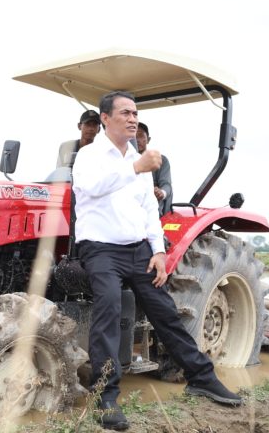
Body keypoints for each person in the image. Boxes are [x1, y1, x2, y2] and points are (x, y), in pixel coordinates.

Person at [72, 90, 242, 431]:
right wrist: (136, 166)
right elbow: (91, 187)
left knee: (165, 311)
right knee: (108, 306)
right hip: (100, 248)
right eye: (125, 113)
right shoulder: (89, 156)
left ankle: (201, 377)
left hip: (138, 250)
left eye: (135, 113)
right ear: (105, 118)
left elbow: (149, 210)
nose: (133, 118)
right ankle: (106, 397)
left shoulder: (141, 160)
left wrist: (159, 252)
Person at [136, 122, 173, 216]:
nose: (137, 140)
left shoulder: (161, 160)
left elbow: (166, 185)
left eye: (140, 136)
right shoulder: (123, 161)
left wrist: (161, 192)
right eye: (133, 136)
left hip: (150, 210)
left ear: (148, 139)